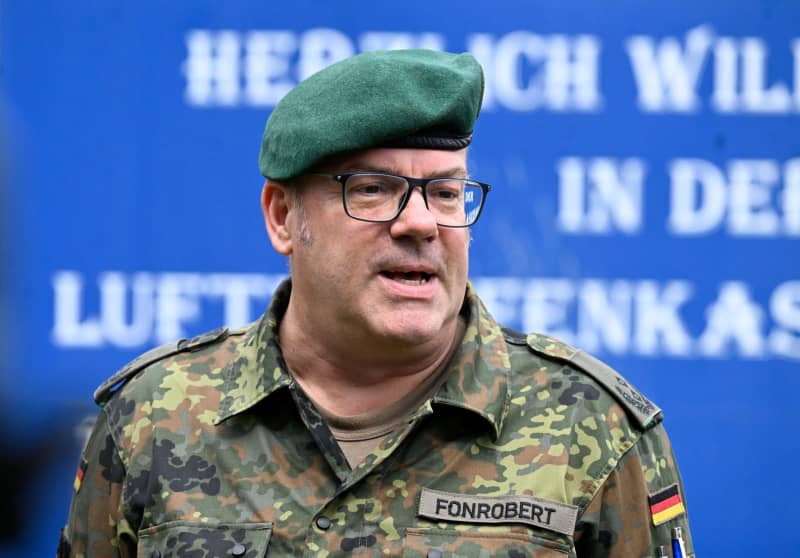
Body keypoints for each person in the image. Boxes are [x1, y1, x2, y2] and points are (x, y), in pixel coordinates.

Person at [60, 49, 694, 557]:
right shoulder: (154, 418)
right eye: (373, 189)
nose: (421, 223)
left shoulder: (594, 427)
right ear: (284, 218)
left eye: (445, 193)